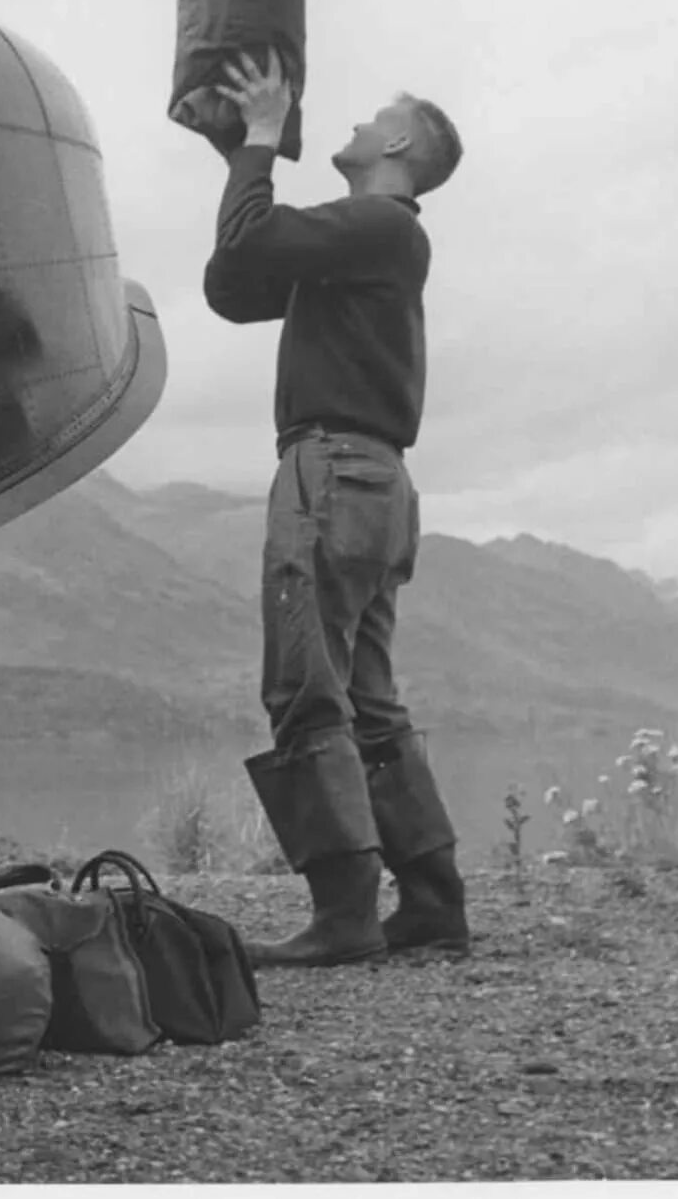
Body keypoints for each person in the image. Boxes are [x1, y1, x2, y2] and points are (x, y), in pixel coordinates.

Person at [203, 47, 469, 966]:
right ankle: (433, 903)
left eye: (369, 118)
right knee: (367, 699)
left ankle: (345, 915)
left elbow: (249, 248)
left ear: (397, 142)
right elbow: (234, 285)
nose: (353, 125)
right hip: (377, 482)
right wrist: (242, 158)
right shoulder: (367, 242)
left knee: (305, 688)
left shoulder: (382, 226)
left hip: (333, 474)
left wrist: (266, 139)